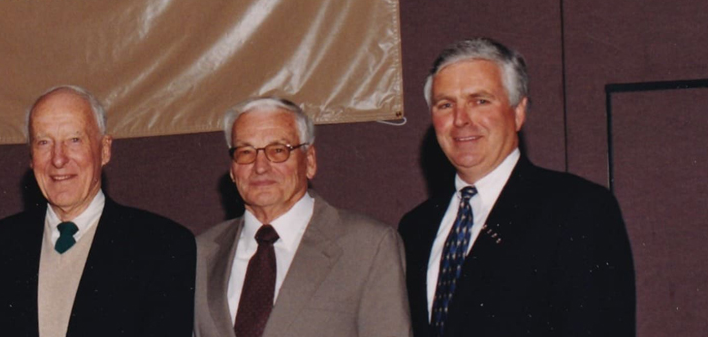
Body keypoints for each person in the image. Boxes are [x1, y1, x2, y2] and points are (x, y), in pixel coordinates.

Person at [398, 37, 636, 337]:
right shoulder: (415, 228)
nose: (461, 120)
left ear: (519, 112)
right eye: (445, 105)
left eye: (480, 100)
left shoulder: (578, 210)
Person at [0, 86, 196, 337]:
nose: (58, 159)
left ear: (104, 150)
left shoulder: (162, 247)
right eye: (44, 142)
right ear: (30, 156)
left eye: (74, 140)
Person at [194, 97, 410, 337]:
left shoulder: (368, 247)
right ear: (233, 171)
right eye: (246, 152)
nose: (261, 166)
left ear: (309, 162)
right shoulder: (201, 254)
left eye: (278, 150)